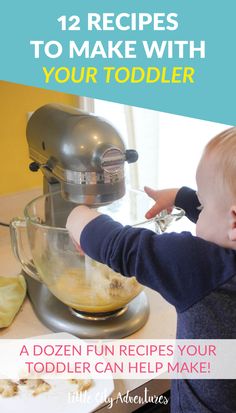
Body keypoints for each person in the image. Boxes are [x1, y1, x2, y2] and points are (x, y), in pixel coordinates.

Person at [66, 127, 236, 413]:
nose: (199, 212)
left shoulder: (205, 269)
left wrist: (77, 217)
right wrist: (183, 197)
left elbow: (123, 246)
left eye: (202, 206)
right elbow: (224, 217)